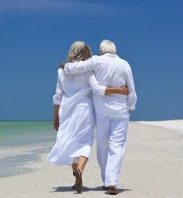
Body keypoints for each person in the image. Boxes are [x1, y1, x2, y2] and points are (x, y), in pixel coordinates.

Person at [47, 41, 128, 194]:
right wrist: (120, 91)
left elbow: (57, 96)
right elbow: (96, 88)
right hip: (84, 109)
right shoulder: (88, 71)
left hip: (66, 110)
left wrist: (55, 117)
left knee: (71, 141)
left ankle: (77, 178)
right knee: (84, 142)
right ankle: (80, 170)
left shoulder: (61, 71)